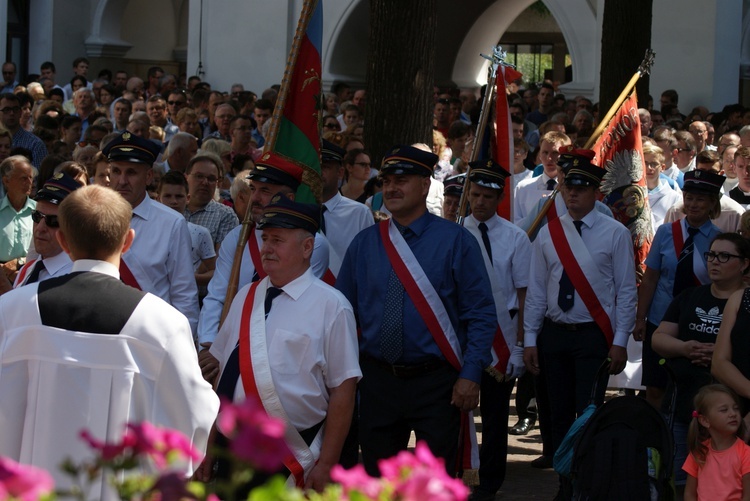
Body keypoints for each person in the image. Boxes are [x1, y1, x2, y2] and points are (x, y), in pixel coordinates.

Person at [0, 185, 219, 499]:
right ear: (128, 241)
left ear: (62, 240)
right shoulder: (163, 324)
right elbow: (194, 419)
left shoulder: (12, 312)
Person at [336, 144, 497, 476]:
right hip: (377, 381)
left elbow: (480, 313)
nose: (392, 188)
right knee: (378, 483)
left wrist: (470, 375)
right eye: (387, 181)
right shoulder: (364, 243)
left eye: (403, 180)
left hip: (436, 383)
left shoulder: (456, 242)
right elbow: (341, 313)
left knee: (434, 482)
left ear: (425, 185)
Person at [208, 194, 360, 490]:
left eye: (278, 240)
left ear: (307, 247)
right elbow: (223, 376)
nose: (267, 248)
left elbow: (343, 390)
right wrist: (208, 443)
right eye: (265, 239)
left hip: (291, 451)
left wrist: (327, 463)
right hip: (233, 447)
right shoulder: (246, 296)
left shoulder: (333, 306)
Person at [523, 149, 637, 496]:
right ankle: (564, 482)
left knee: (588, 414)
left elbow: (626, 292)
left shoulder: (615, 233)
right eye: (568, 186)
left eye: (581, 187)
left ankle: (586, 481)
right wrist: (529, 338)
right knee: (557, 415)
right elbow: (537, 290)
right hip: (554, 336)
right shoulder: (548, 234)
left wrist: (619, 341)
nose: (572, 193)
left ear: (595, 193)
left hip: (592, 337)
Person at [197, 152, 331, 381]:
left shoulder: (312, 244)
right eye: (253, 189)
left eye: (265, 191)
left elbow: (287, 306)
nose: (255, 198)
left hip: (277, 356)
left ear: (289, 196)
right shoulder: (236, 238)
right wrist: (209, 345)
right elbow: (217, 295)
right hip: (228, 349)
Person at [652, 233, 750, 488]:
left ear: (744, 264)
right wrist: (685, 347)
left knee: (723, 484)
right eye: (711, 255)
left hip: (729, 412)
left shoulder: (744, 303)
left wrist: (719, 355)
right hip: (683, 405)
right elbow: (659, 338)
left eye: (724, 256)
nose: (714, 262)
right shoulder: (690, 296)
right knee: (680, 482)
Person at [462, 159, 529, 501]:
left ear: (498, 197)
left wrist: (520, 344)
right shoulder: (455, 231)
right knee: (458, 414)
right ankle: (458, 473)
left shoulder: (515, 237)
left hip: (502, 339)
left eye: (487, 196)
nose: (480, 202)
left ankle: (489, 481)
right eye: (475, 194)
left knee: (494, 417)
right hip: (463, 338)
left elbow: (524, 294)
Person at [636, 170, 724, 409]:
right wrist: (640, 318)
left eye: (700, 199)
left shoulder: (719, 240)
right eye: (689, 198)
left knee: (694, 390)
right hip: (660, 317)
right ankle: (656, 442)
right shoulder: (666, 233)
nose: (693, 204)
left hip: (698, 322)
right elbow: (651, 278)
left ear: (711, 203)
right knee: (655, 386)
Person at [104, 131, 200, 335]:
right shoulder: (93, 216)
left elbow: (184, 294)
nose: (121, 180)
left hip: (150, 335)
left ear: (148, 176)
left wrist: (184, 344)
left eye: (131, 172)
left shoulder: (172, 222)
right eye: (116, 171)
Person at [13, 173, 83, 288]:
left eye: (53, 221)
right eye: (37, 216)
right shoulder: (27, 269)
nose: (40, 228)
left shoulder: (75, 279)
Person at [682, 385, 750, 501]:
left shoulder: (746, 453)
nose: (733, 413)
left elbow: (747, 496)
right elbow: (689, 495)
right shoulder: (698, 452)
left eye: (736, 408)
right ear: (705, 420)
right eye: (724, 410)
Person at [319, 140, 373, 276]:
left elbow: (369, 261)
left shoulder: (359, 213)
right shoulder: (298, 209)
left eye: (324, 167)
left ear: (340, 172)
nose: (317, 172)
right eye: (313, 166)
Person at [184, 153, 239, 248]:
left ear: (217, 183)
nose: (205, 182)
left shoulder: (225, 215)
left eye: (211, 178)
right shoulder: (171, 206)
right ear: (186, 178)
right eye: (199, 176)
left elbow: (221, 259)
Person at [0, 155, 35, 282]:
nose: (29, 182)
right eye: (23, 178)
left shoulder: (39, 211)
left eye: (31, 178)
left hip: (30, 274)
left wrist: (19, 263)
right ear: (6, 181)